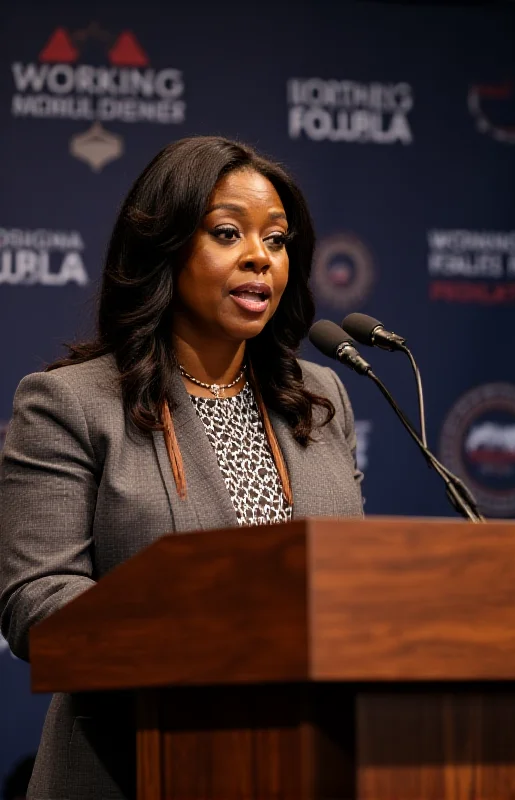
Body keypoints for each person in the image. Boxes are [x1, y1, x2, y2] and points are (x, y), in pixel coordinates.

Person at [0, 136, 363, 799]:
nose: (260, 257)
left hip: (310, 766)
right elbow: (40, 607)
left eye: (277, 241)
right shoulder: (72, 405)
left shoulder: (321, 399)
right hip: (133, 767)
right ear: (165, 247)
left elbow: (350, 583)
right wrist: (220, 643)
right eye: (228, 233)